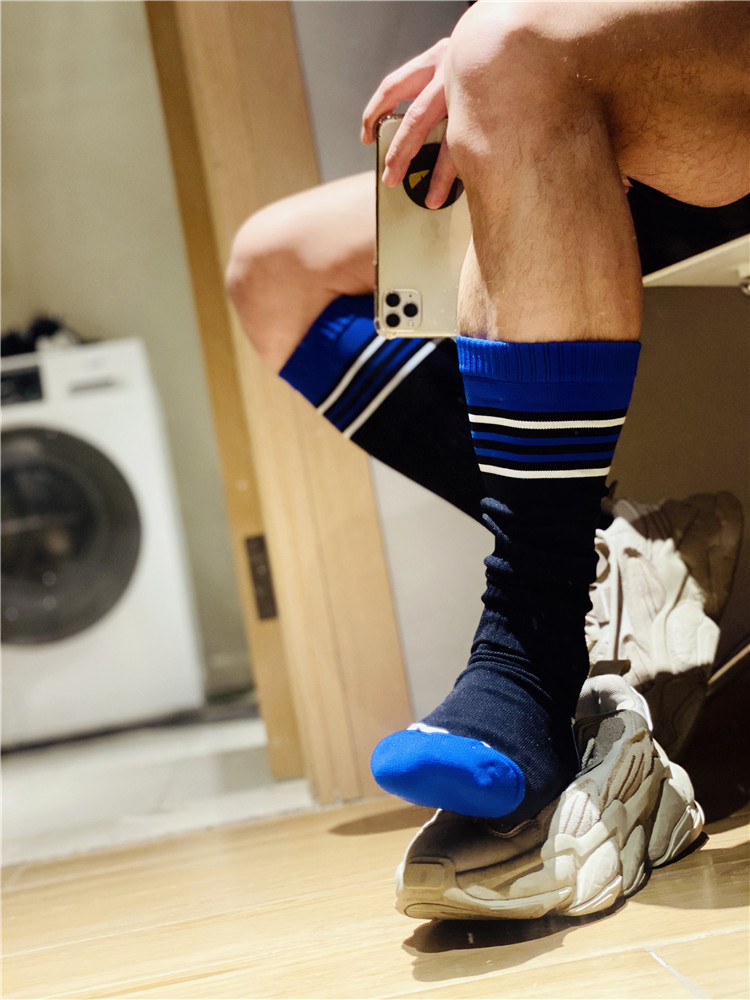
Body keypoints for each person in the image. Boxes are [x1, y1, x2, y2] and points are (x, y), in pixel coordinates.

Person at [227, 1, 749, 913]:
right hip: (602, 87)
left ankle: (531, 640)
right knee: (273, 268)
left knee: (508, 47)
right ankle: (608, 546)